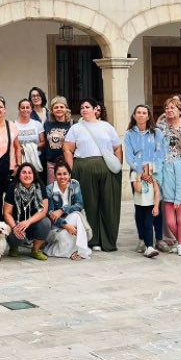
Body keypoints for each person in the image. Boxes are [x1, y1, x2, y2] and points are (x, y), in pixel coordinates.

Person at [62, 98, 123, 252]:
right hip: (84, 167)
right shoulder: (76, 128)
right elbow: (67, 149)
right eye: (82, 107)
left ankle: (108, 240)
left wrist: (117, 164)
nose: (84, 110)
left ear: (96, 109)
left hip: (107, 169)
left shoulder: (106, 127)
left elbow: (117, 147)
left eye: (87, 107)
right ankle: (93, 239)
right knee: (90, 205)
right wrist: (72, 168)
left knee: (108, 204)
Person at [125, 104, 166, 252]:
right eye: (139, 112)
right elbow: (129, 155)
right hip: (137, 173)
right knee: (140, 207)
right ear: (134, 116)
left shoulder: (157, 133)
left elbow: (160, 153)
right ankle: (142, 239)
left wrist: (150, 169)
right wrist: (141, 170)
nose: (141, 115)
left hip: (154, 172)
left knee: (156, 205)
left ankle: (159, 239)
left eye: (144, 113)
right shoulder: (129, 134)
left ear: (148, 116)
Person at [156, 96, 181, 245]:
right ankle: (169, 235)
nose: (169, 110)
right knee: (167, 200)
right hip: (166, 167)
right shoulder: (160, 127)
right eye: (166, 108)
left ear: (180, 110)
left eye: (172, 107)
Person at [3, 162, 50, 260]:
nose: (27, 175)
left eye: (30, 173)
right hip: (17, 223)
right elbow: (7, 213)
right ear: (19, 175)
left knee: (46, 222)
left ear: (34, 175)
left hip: (32, 223)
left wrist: (28, 222)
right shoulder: (12, 189)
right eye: (24, 172)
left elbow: (43, 211)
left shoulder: (40, 187)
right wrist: (15, 227)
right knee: (14, 233)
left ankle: (35, 250)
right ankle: (14, 247)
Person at [43, 161, 90, 259]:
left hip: (73, 220)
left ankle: (80, 251)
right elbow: (50, 213)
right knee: (64, 234)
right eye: (59, 174)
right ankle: (70, 252)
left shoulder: (74, 184)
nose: (62, 177)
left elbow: (79, 205)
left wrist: (62, 210)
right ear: (55, 175)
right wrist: (66, 226)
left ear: (69, 175)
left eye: (65, 174)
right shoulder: (49, 189)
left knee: (77, 215)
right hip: (56, 224)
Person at [132, 168, 163, 258]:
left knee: (148, 225)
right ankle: (146, 246)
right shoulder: (134, 173)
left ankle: (150, 247)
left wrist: (156, 206)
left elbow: (157, 191)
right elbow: (138, 189)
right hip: (139, 205)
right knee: (141, 225)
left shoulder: (154, 174)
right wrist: (139, 176)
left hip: (151, 205)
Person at [13, 98, 45, 181]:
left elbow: (43, 142)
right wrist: (20, 149)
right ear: (19, 109)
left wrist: (29, 148)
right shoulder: (13, 125)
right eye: (22, 107)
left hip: (36, 158)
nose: (25, 109)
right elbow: (12, 144)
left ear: (31, 109)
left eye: (27, 107)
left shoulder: (37, 124)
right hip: (20, 160)